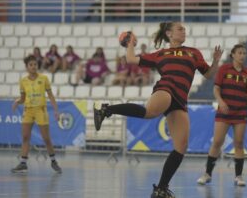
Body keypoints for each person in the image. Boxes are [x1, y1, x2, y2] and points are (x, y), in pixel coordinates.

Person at [93, 21, 223, 198]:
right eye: (180, 29)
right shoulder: (160, 54)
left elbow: (208, 74)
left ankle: (161, 188)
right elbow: (131, 59)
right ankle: (105, 110)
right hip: (167, 88)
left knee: (181, 147)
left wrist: (215, 61)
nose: (184, 31)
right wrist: (130, 44)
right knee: (149, 113)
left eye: (184, 29)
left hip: (181, 99)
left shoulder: (194, 53)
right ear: (169, 34)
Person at [197, 44, 247, 186]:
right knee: (217, 142)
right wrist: (221, 102)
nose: (242, 55)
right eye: (239, 53)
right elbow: (216, 89)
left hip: (241, 113)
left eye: (244, 53)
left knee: (239, 144)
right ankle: (207, 174)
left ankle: (238, 176)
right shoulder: (224, 69)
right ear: (233, 55)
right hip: (224, 112)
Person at [11, 55, 62, 174]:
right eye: (31, 65)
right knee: (25, 137)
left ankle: (54, 161)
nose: (34, 66)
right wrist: (17, 101)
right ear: (27, 67)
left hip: (40, 110)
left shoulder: (43, 78)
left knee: (46, 138)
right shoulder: (23, 81)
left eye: (35, 64)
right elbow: (23, 98)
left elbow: (50, 95)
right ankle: (23, 163)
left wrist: (56, 110)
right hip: (28, 110)